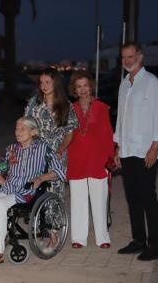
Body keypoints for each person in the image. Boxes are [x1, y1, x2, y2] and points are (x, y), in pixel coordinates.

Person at [0, 117, 65, 264]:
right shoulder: (12, 149)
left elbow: (59, 171)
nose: (18, 132)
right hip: (8, 188)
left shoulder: (43, 148)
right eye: (17, 129)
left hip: (26, 191)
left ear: (33, 131)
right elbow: (1, 168)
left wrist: (41, 178)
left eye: (23, 129)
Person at [114, 42, 158, 261]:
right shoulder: (124, 84)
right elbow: (121, 118)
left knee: (148, 198)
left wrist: (155, 147)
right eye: (124, 57)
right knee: (133, 198)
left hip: (145, 150)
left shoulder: (151, 83)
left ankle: (155, 246)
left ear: (140, 56)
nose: (127, 61)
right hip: (127, 150)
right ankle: (138, 241)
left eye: (130, 56)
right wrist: (117, 146)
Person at [67, 71, 114, 249]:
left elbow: (108, 134)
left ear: (91, 86)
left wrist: (110, 158)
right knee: (78, 199)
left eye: (85, 85)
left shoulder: (102, 107)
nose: (83, 89)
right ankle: (78, 238)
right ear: (74, 89)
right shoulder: (71, 109)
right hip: (76, 158)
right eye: (79, 86)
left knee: (99, 199)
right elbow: (67, 134)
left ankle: (103, 237)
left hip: (98, 159)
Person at [24, 68, 78, 199]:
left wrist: (60, 150)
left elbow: (69, 133)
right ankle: (37, 219)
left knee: (54, 195)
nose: (44, 86)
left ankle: (55, 219)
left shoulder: (66, 105)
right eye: (41, 82)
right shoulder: (33, 103)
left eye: (47, 82)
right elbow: (25, 126)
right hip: (36, 153)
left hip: (57, 154)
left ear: (56, 83)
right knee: (35, 193)